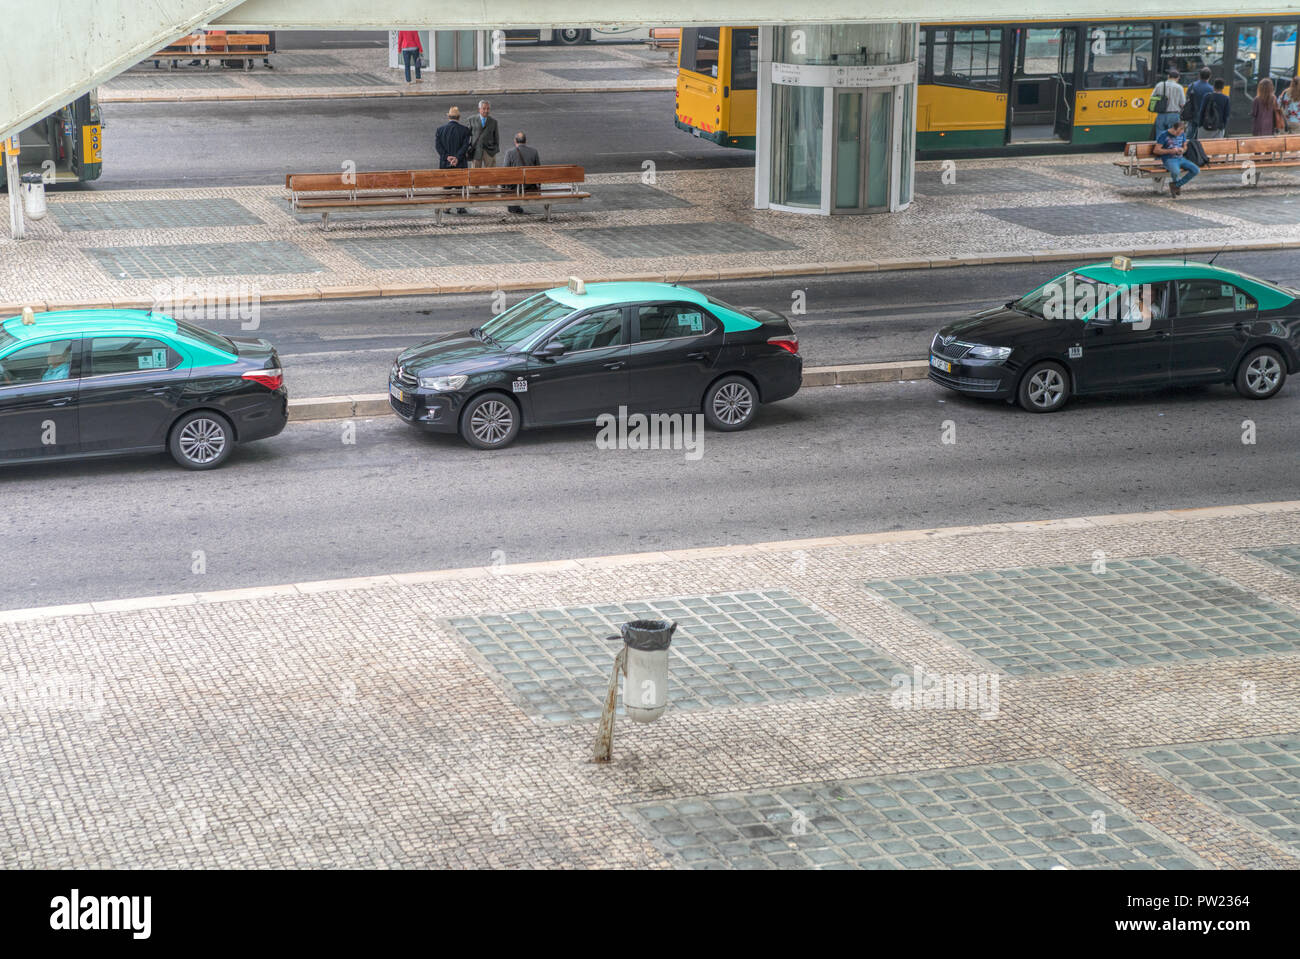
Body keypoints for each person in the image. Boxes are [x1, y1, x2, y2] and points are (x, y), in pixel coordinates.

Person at [435, 106, 472, 214]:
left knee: (446, 186)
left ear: (448, 117)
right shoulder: (465, 130)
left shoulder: (440, 130)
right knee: (460, 186)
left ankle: (446, 207)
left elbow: (438, 147)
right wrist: (457, 157)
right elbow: (465, 146)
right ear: (458, 117)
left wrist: (447, 157)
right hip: (460, 163)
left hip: (445, 163)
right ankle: (460, 206)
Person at [1153, 119, 1198, 197]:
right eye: (1177, 133)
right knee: (1176, 172)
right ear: (1173, 128)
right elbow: (1156, 150)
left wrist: (1182, 150)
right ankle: (1176, 187)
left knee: (1196, 170)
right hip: (1169, 159)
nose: (1178, 135)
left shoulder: (1182, 134)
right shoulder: (1164, 135)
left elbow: (1185, 146)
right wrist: (1170, 151)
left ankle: (1176, 185)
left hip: (1180, 158)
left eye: (1180, 133)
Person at [503, 132, 540, 214]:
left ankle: (513, 206)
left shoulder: (509, 153)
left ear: (515, 141)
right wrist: (538, 185)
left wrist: (503, 186)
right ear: (525, 141)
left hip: (514, 186)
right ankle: (514, 207)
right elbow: (538, 170)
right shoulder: (534, 152)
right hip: (530, 185)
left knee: (512, 186)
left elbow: (505, 171)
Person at [1151, 68, 1186, 138]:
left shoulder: (1159, 85)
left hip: (1161, 114)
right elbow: (1182, 103)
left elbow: (1152, 98)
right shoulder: (1179, 87)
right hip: (1174, 115)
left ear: (1168, 76)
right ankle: (1171, 148)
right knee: (1173, 136)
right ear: (1178, 78)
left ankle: (1160, 148)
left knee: (1160, 136)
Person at [469, 100, 500, 169]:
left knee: (491, 173)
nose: (486, 111)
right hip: (476, 151)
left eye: (488, 109)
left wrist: (495, 149)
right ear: (479, 109)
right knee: (475, 173)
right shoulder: (471, 120)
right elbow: (467, 136)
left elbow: (496, 137)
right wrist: (469, 148)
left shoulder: (494, 122)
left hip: (490, 151)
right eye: (484, 108)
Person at [1186, 67, 1214, 139]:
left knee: (1189, 135)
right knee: (1201, 136)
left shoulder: (1191, 86)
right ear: (1210, 76)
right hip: (1204, 116)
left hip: (1192, 114)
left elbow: (1187, 99)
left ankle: (1188, 148)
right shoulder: (1211, 89)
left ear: (1199, 75)